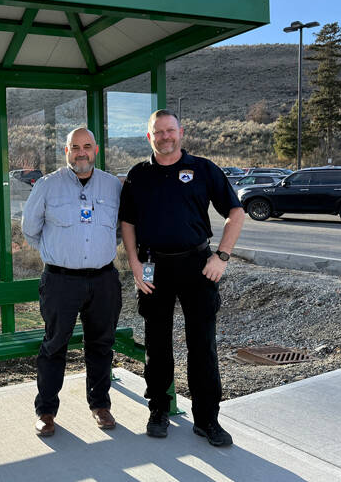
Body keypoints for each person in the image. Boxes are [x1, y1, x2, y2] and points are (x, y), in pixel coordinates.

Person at [119, 109, 244, 446]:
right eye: (158, 132)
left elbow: (236, 212)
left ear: (180, 132)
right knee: (157, 343)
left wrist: (222, 257)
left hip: (197, 264)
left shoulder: (202, 169)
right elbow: (128, 223)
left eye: (170, 130)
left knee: (202, 344)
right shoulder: (138, 175)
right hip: (152, 265)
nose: (165, 137)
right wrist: (134, 265)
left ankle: (207, 419)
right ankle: (159, 409)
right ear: (149, 137)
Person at [22, 127, 123, 437]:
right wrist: (59, 253)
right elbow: (30, 229)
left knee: (102, 344)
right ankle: (46, 411)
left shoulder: (112, 186)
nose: (81, 152)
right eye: (75, 147)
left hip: (103, 279)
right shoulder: (47, 186)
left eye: (87, 146)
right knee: (54, 346)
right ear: (66, 152)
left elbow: (120, 229)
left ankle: (100, 405)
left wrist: (93, 252)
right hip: (60, 282)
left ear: (95, 150)